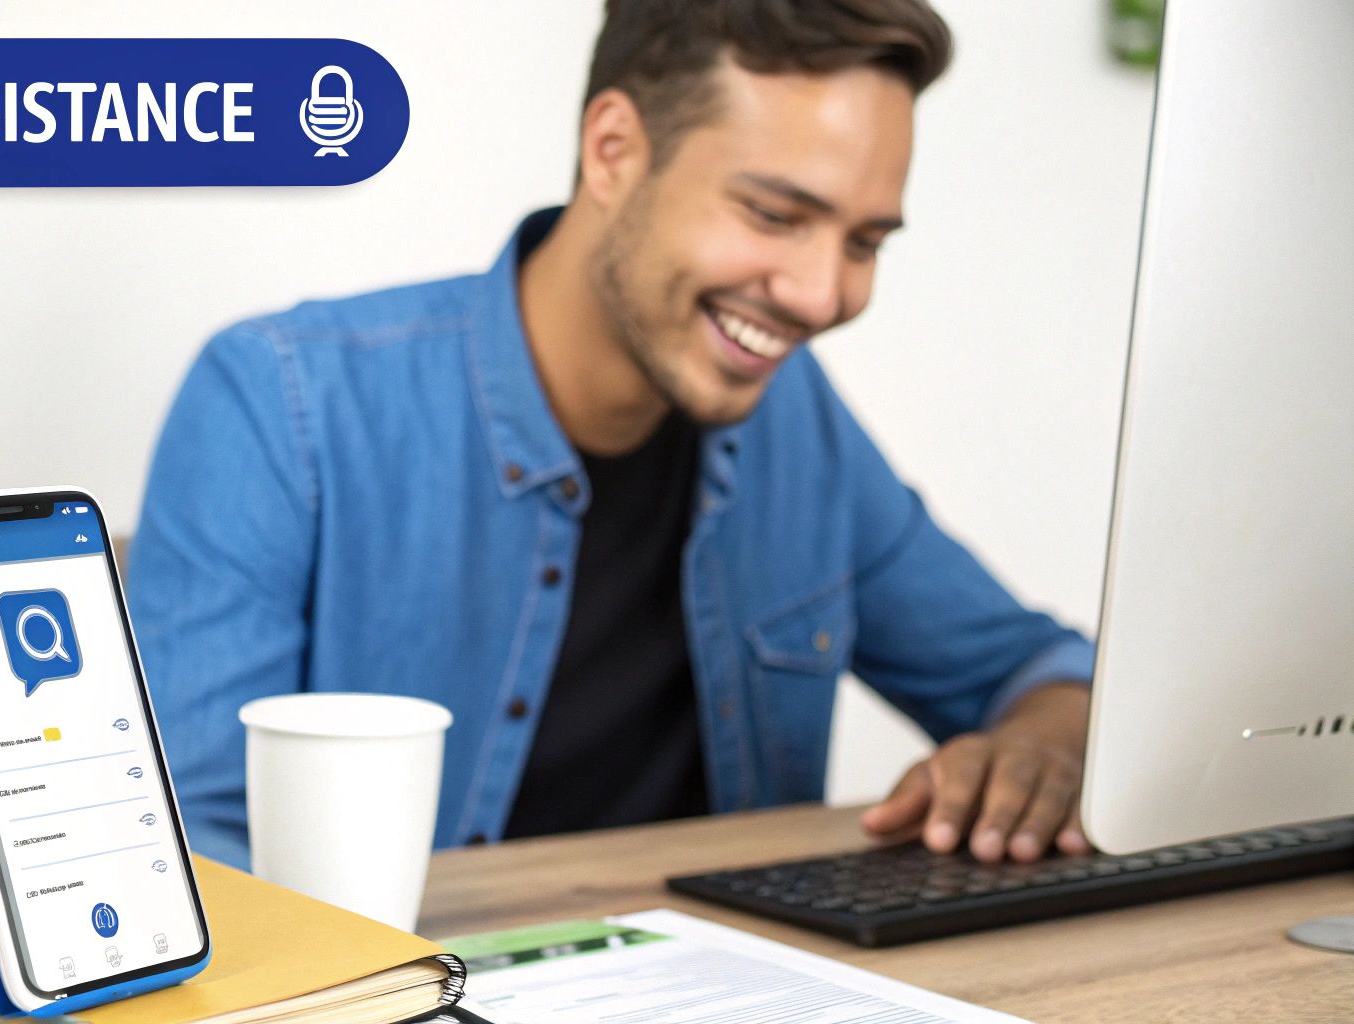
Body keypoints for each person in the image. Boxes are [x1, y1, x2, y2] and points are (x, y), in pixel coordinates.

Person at [128, 0, 1096, 872]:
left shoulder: (795, 420)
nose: (822, 294)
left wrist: (1039, 749)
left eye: (863, 242)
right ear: (612, 150)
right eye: (772, 213)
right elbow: (187, 857)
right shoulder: (280, 401)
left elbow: (1035, 670)